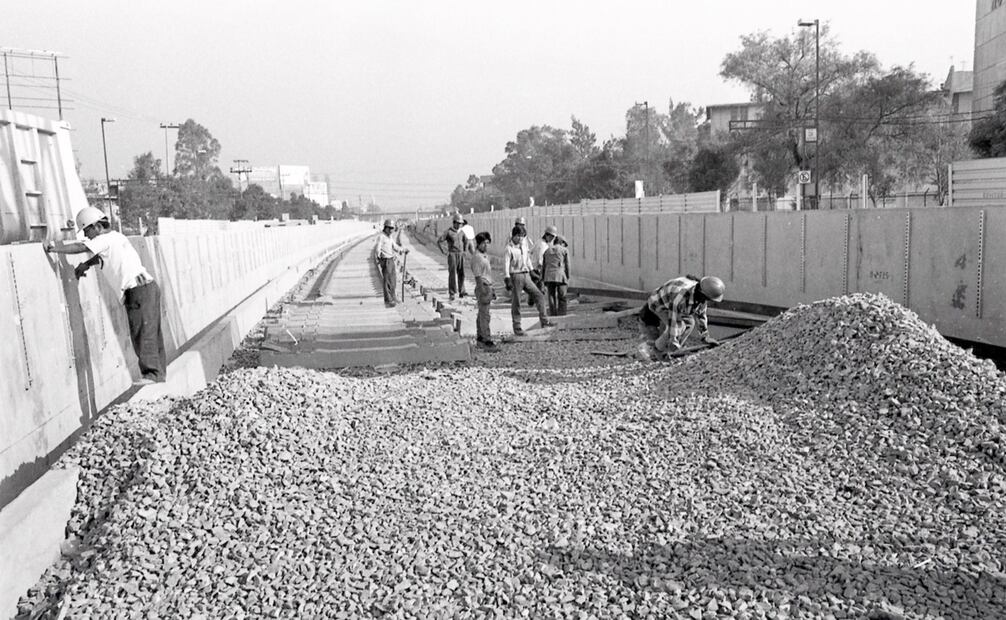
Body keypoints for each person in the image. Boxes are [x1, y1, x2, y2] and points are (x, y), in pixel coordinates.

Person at [45, 206, 166, 385]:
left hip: (137, 291)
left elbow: (81, 247)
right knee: (152, 332)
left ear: (96, 226)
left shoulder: (103, 239)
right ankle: (159, 374)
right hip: (148, 287)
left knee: (142, 331)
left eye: (87, 230)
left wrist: (54, 249)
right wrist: (86, 265)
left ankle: (151, 375)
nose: (87, 235)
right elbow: (103, 256)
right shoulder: (116, 237)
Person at [639, 275, 725, 354]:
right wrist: (673, 340)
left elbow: (701, 315)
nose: (708, 301)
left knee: (690, 323)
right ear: (703, 294)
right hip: (659, 303)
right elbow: (673, 320)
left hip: (675, 304)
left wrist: (705, 336)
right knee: (679, 326)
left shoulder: (700, 296)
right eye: (708, 299)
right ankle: (656, 350)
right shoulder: (680, 296)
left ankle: (673, 350)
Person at [503, 226, 554, 336]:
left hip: (526, 274)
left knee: (539, 295)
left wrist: (531, 272)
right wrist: (507, 278)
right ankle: (517, 327)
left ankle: (545, 321)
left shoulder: (523, 245)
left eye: (522, 237)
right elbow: (506, 263)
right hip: (515, 275)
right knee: (516, 302)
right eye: (519, 237)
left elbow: (527, 259)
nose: (521, 239)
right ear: (514, 236)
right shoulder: (509, 248)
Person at [469, 231, 497, 349]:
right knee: (485, 315)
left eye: (487, 243)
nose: (486, 246)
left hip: (487, 286)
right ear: (478, 244)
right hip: (483, 286)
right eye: (484, 243)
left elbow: (488, 274)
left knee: (482, 313)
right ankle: (486, 339)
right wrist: (483, 290)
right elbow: (478, 276)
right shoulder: (477, 257)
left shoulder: (484, 256)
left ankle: (480, 337)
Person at [373, 218, 408, 307]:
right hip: (385, 260)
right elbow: (377, 249)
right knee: (387, 281)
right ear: (386, 228)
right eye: (391, 229)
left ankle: (393, 297)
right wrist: (379, 259)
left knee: (393, 280)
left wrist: (403, 250)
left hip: (391, 259)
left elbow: (395, 247)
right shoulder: (381, 237)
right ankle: (388, 300)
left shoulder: (389, 237)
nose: (392, 230)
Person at [437, 213, 469, 300]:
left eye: (461, 224)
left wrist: (465, 251)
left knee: (461, 273)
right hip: (452, 254)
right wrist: (444, 251)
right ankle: (452, 292)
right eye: (458, 223)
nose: (459, 225)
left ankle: (462, 291)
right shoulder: (448, 232)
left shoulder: (462, 232)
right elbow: (439, 241)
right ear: (454, 223)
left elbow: (466, 241)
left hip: (461, 254)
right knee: (452, 274)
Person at [542, 234, 570, 316]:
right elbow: (568, 265)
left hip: (548, 276)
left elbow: (544, 266)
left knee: (551, 296)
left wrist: (543, 278)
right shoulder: (564, 250)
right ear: (561, 242)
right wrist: (567, 277)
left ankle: (553, 314)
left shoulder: (547, 251)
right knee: (562, 297)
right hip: (560, 275)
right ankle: (562, 315)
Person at [530, 225, 557, 302]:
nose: (552, 239)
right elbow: (540, 260)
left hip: (534, 268)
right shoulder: (543, 245)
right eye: (551, 237)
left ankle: (532, 302)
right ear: (547, 235)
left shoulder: (539, 242)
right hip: (538, 269)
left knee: (535, 288)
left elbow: (530, 251)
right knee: (540, 289)